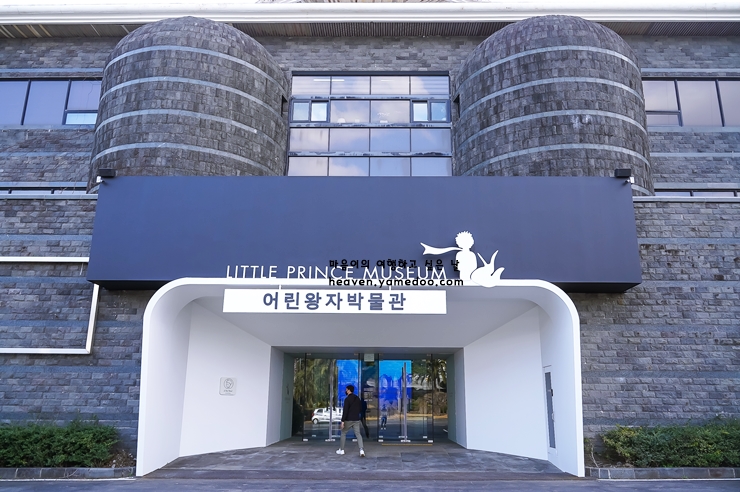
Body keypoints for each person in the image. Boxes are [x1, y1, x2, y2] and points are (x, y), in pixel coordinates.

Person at [336, 384, 365, 457]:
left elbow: (345, 411)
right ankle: (361, 450)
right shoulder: (357, 398)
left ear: (349, 390)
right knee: (358, 434)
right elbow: (360, 409)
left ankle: (342, 450)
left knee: (343, 433)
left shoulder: (347, 399)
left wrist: (342, 421)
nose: (345, 391)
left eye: (346, 390)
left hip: (348, 420)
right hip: (356, 419)